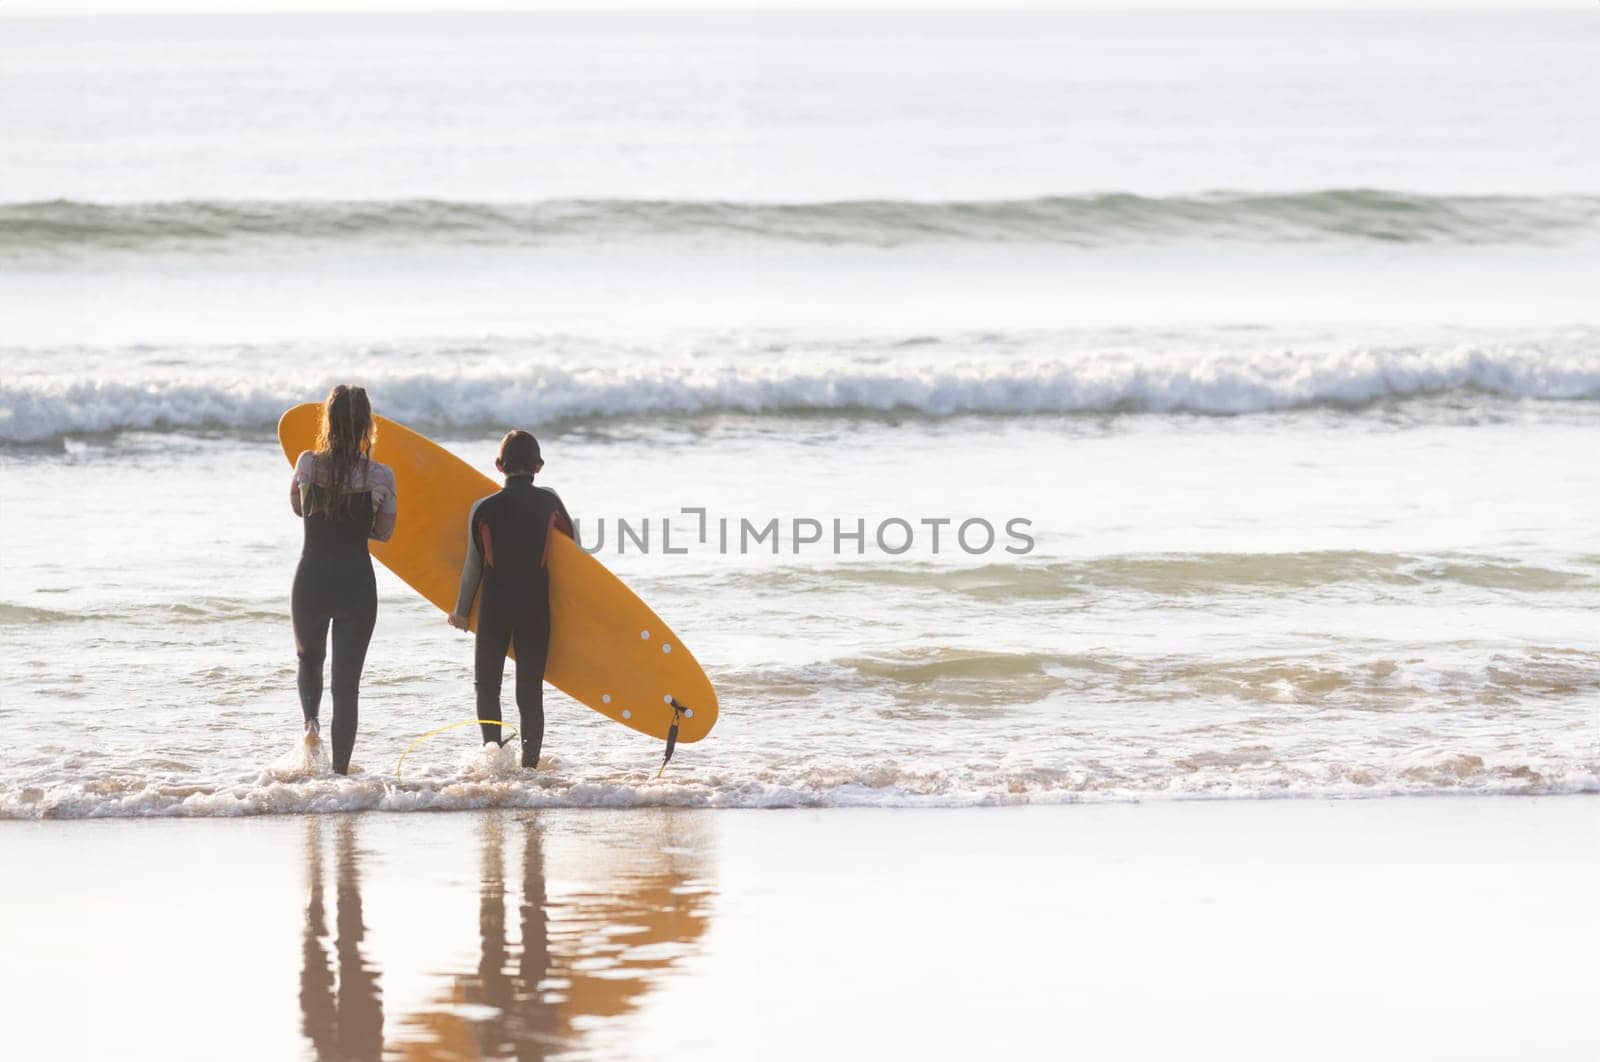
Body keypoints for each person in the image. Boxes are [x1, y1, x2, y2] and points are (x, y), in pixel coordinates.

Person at [448, 430, 572, 769]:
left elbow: (473, 567)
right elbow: (573, 551)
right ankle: (529, 768)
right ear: (539, 466)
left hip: (495, 608)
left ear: (499, 466)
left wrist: (461, 611)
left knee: (486, 686)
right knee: (530, 690)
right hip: (535, 606)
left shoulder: (483, 508)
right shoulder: (550, 501)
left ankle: (495, 763)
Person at [289, 385, 397, 775]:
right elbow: (384, 533)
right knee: (346, 687)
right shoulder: (381, 476)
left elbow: (298, 508)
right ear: (367, 424)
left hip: (312, 578)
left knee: (308, 660)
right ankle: (338, 776)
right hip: (356, 582)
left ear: (327, 422)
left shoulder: (306, 464)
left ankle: (310, 725)